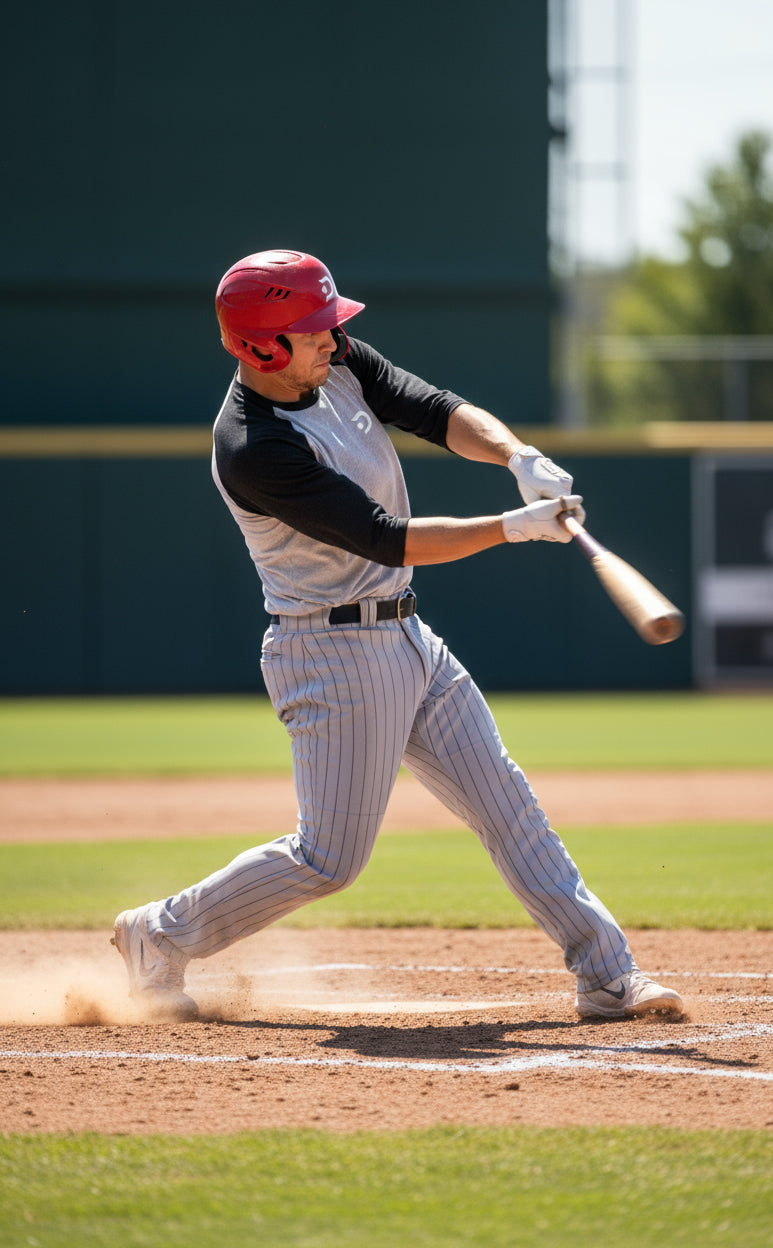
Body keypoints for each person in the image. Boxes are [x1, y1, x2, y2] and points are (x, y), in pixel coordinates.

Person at [112, 248, 684, 1025]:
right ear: (261, 346)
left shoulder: (334, 359)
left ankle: (608, 975)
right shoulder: (255, 448)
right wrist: (515, 529)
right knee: (328, 859)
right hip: (331, 653)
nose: (331, 337)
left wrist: (518, 455)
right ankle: (158, 934)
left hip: (407, 633)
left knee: (507, 803)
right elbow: (386, 537)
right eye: (312, 329)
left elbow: (434, 409)